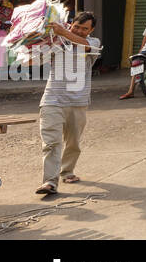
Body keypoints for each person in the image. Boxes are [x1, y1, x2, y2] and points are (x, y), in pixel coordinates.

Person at [35, 12, 99, 196]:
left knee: (73, 142)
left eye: (84, 28)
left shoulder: (93, 43)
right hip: (52, 99)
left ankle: (67, 170)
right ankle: (49, 181)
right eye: (76, 27)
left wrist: (63, 32)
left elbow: (83, 45)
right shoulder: (57, 40)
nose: (79, 31)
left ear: (91, 30)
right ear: (71, 24)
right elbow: (38, 55)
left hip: (78, 101)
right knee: (51, 143)